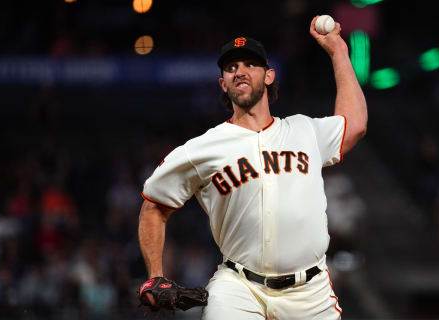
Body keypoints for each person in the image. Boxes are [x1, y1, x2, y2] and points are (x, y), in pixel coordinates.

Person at [138, 15, 367, 319]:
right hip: (239, 287)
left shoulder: (304, 130)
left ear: (269, 76)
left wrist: (338, 50)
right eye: (231, 68)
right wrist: (155, 275)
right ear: (223, 83)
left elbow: (354, 125)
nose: (239, 72)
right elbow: (154, 205)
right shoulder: (202, 148)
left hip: (309, 292)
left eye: (249, 64)